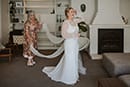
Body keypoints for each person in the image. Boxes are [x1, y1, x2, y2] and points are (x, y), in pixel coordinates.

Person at [42, 7, 86, 85]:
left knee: (74, 59)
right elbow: (64, 35)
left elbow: (83, 18)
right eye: (71, 12)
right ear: (67, 13)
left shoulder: (75, 21)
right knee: (70, 60)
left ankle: (74, 76)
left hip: (75, 44)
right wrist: (74, 34)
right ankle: (69, 78)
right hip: (69, 44)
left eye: (73, 11)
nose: (73, 13)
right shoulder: (66, 23)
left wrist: (76, 12)